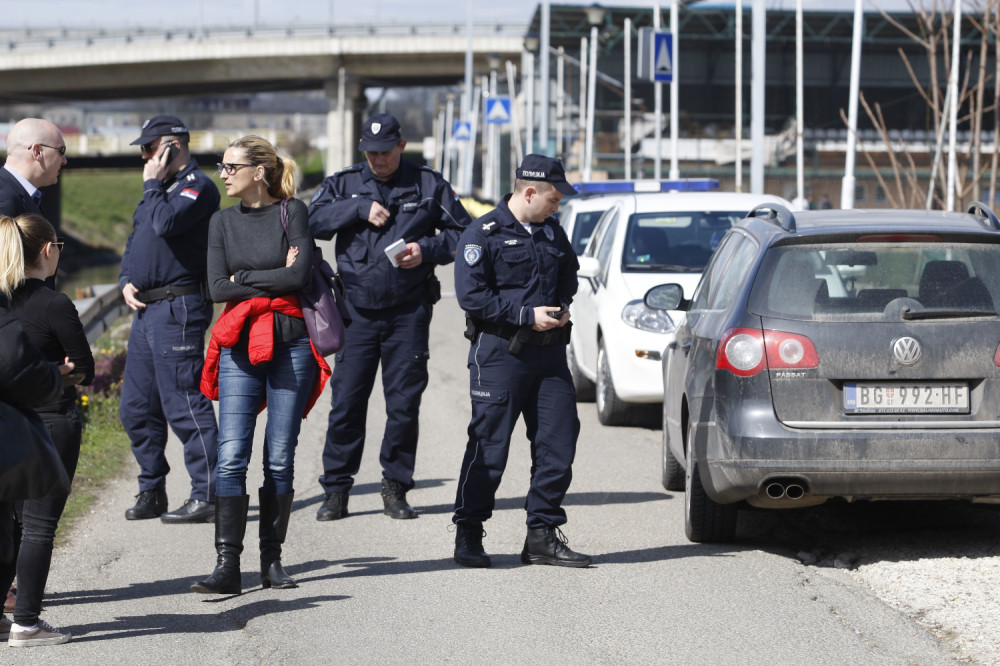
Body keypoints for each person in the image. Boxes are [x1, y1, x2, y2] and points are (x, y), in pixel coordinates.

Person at [307, 113, 471, 522]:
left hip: (408, 312)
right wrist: (358, 208)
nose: (378, 159)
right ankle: (337, 491)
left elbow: (465, 233)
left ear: (401, 146)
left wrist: (427, 251)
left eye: (385, 152)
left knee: (403, 405)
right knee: (346, 404)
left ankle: (395, 488)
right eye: (371, 152)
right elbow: (310, 222)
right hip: (356, 312)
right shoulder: (344, 184)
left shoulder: (428, 184)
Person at [192, 136, 330, 595]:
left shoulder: (294, 212)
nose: (223, 173)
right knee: (231, 456)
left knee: (279, 457)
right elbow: (215, 288)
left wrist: (244, 279)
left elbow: (299, 275)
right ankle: (227, 565)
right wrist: (268, 281)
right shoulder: (220, 222)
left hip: (291, 348)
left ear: (259, 171)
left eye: (231, 166)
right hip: (238, 351)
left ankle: (272, 560)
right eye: (222, 166)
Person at [451, 154, 591, 569]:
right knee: (489, 447)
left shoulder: (552, 232)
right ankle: (470, 532)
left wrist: (562, 306)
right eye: (552, 198)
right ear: (528, 191)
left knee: (558, 445)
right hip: (500, 354)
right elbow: (471, 296)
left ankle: (542, 535)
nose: (556, 206)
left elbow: (569, 275)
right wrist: (525, 315)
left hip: (549, 357)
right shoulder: (483, 234)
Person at [118, 115, 221, 524]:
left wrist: (151, 183)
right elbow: (137, 236)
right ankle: (152, 489)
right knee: (136, 407)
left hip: (178, 308)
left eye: (150, 147)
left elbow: (164, 224)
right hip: (146, 310)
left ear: (172, 146)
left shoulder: (198, 187)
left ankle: (209, 495)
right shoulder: (157, 191)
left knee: (184, 403)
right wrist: (126, 278)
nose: (145, 156)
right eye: (143, 149)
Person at [0, 214, 84, 647]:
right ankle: (27, 622)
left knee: (9, 523)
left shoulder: (3, 302)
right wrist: (61, 373)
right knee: (39, 526)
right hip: (51, 419)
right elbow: (83, 367)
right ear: (48, 250)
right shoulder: (55, 304)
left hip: (7, 425)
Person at [0, 118, 67, 625]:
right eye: (62, 152)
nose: (66, 161)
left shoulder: (27, 198)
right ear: (38, 150)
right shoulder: (5, 199)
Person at [0, 118, 67, 220]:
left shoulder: (18, 194)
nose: (64, 160)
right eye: (61, 151)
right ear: (37, 152)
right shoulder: (5, 202)